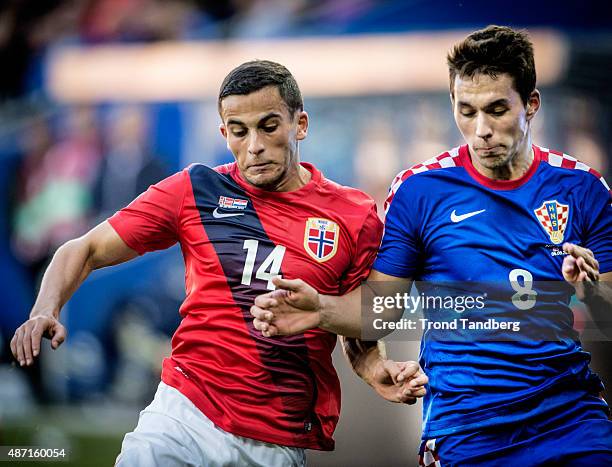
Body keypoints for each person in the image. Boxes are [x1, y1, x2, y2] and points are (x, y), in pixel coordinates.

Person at [10, 60, 427, 466]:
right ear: (224, 132)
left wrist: (373, 366)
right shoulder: (195, 189)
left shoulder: (352, 214)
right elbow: (83, 249)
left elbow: (360, 323)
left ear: (299, 124)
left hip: (276, 434)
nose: (255, 146)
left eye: (268, 126)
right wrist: (45, 308)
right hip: (183, 412)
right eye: (239, 132)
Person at [251, 26, 612, 466]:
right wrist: (322, 309)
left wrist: (589, 287)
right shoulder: (419, 192)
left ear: (531, 104)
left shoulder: (583, 188)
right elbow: (379, 313)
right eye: (467, 110)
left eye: (497, 109)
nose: (481, 130)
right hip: (466, 427)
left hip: (570, 418)